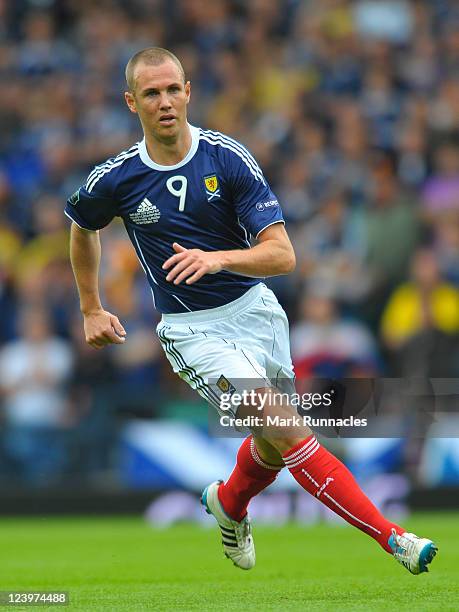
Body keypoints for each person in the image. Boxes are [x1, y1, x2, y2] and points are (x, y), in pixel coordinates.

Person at [66, 47, 437, 575]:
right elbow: (82, 226)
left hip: (258, 313)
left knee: (269, 443)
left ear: (189, 91)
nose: (166, 102)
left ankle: (230, 504)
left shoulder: (227, 158)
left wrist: (217, 258)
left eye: (174, 89)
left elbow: (282, 254)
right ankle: (394, 538)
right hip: (193, 330)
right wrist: (90, 307)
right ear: (132, 102)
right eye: (152, 93)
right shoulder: (116, 178)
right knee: (287, 428)